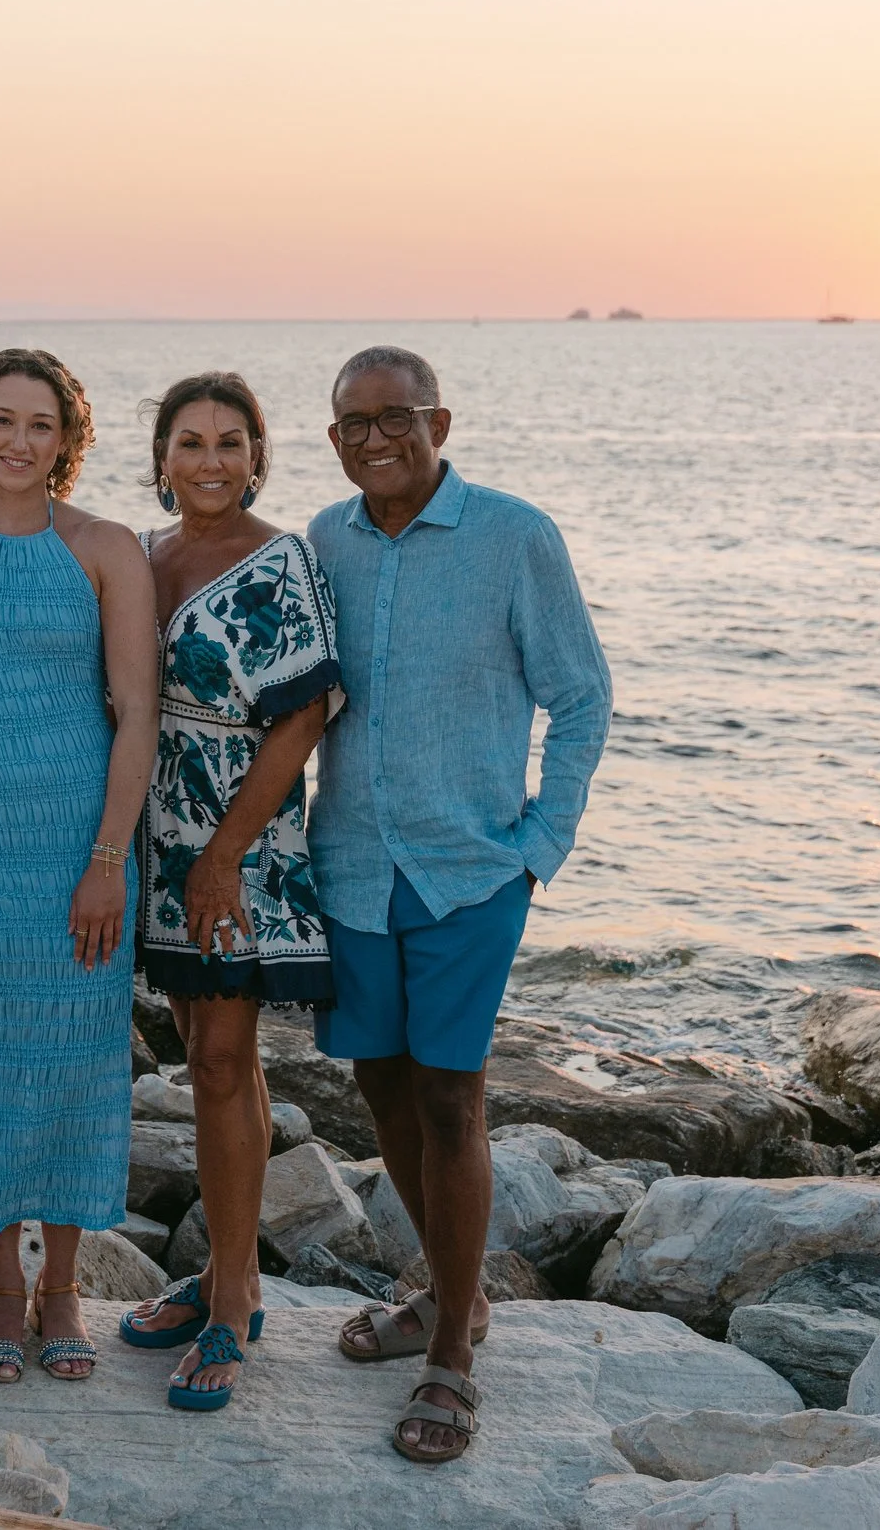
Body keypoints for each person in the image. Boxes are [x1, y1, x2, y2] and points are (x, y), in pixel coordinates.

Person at [307, 345, 611, 1463]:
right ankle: (447, 1294)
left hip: (469, 870)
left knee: (451, 1098)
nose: (375, 439)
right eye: (352, 425)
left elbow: (581, 697)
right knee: (381, 1091)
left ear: (440, 420)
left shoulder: (514, 536)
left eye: (395, 418)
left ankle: (451, 1360)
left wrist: (540, 844)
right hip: (348, 866)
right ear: (332, 438)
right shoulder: (324, 541)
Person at [0, 347, 159, 1384]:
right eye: (1, 420)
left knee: (71, 1056)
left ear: (67, 438)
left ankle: (63, 1291)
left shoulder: (106, 550)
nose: (19, 441)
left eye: (40, 424)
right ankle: (1, 1286)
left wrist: (107, 858)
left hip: (78, 838)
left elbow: (137, 711)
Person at [115, 372, 338, 1412]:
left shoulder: (279, 562)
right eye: (190, 442)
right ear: (159, 458)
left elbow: (303, 717)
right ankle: (219, 1273)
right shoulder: (140, 557)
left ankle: (234, 1296)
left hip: (237, 834)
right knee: (212, 1057)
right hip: (155, 832)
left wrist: (221, 855)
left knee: (215, 1057)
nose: (210, 460)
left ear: (257, 456)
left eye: (230, 443)